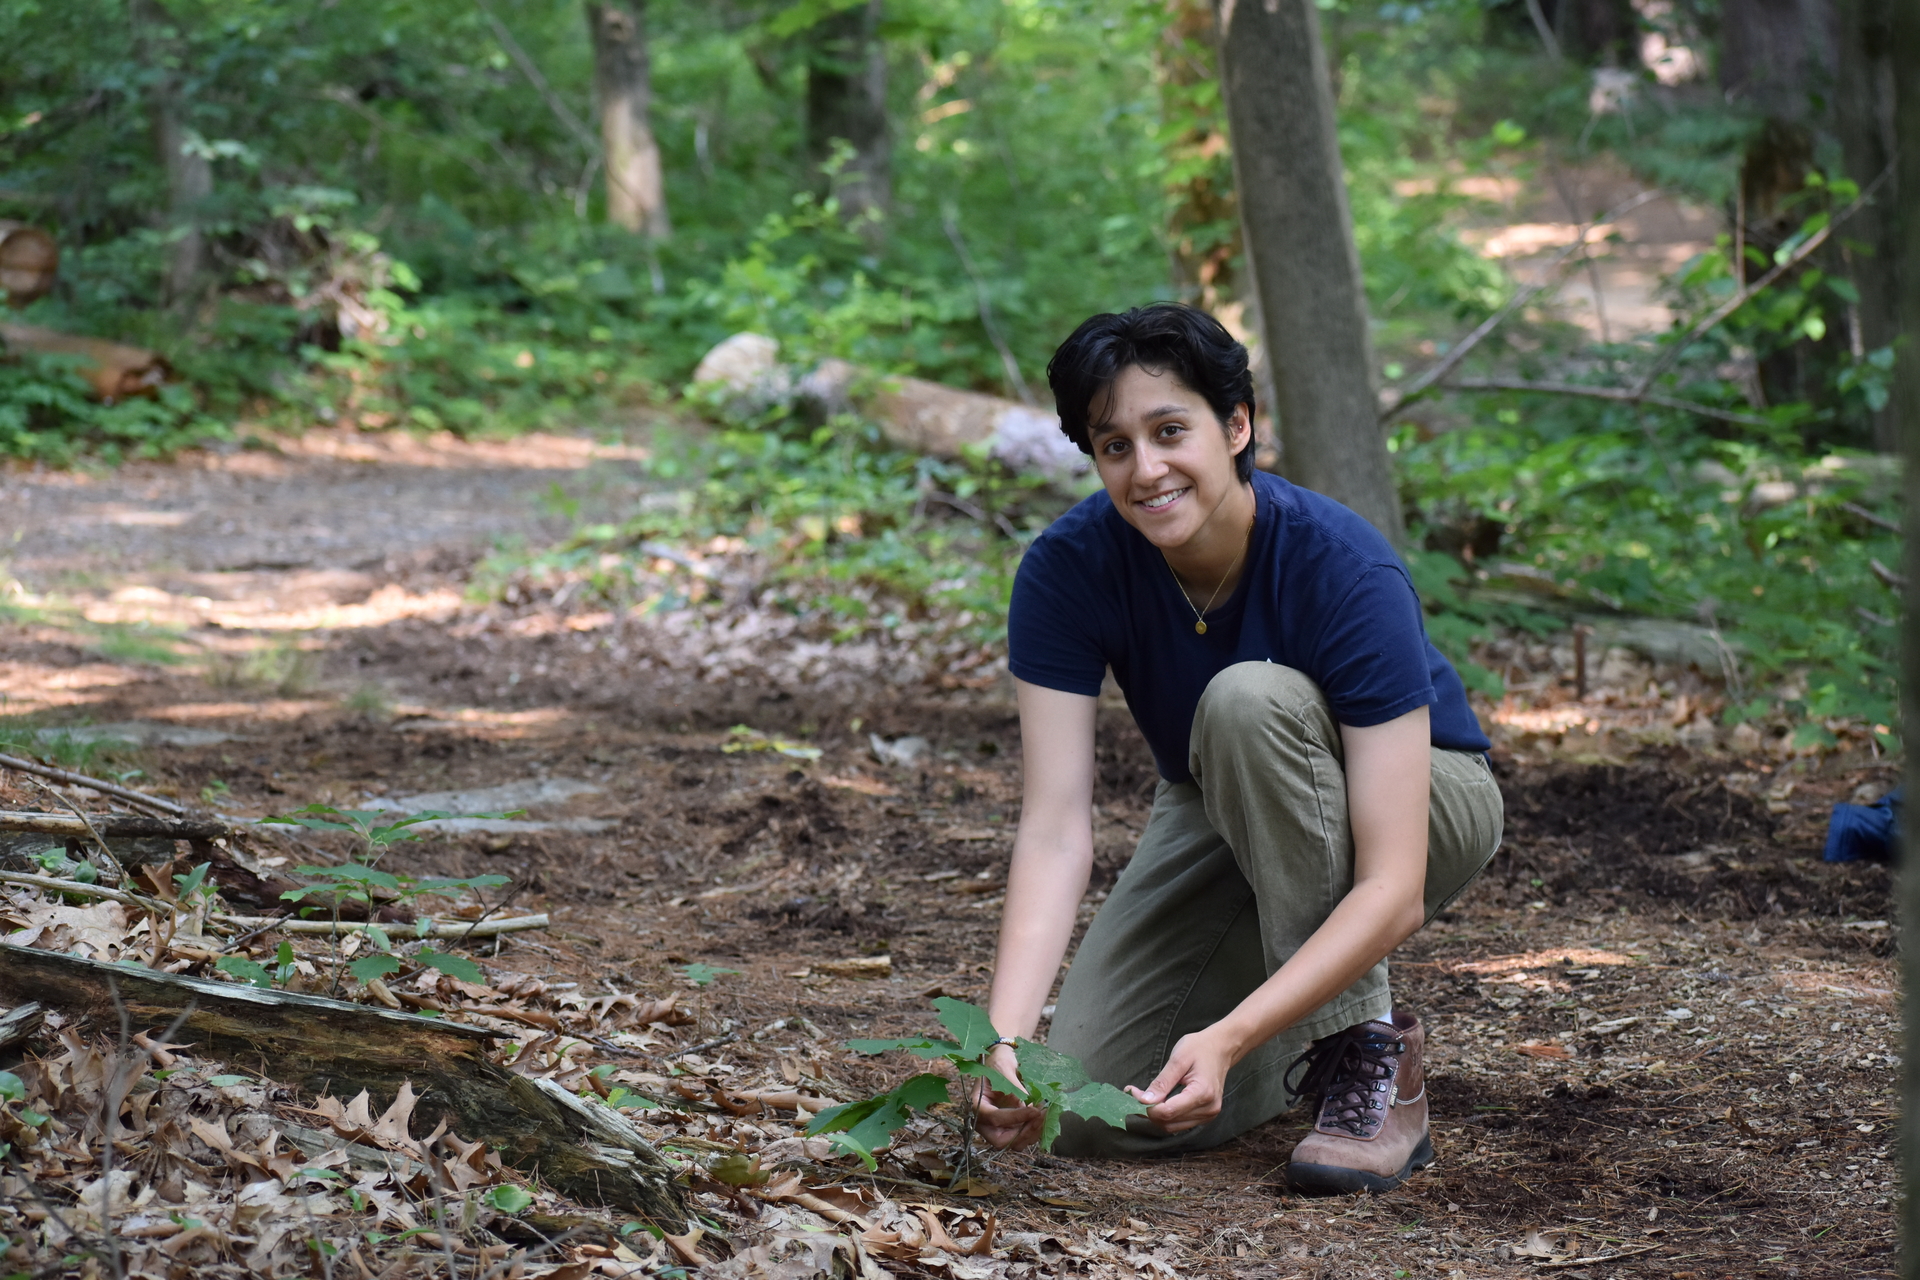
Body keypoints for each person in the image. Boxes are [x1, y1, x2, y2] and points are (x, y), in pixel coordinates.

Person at [973, 303, 1503, 1193]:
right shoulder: (1067, 570)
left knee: (1246, 697)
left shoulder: (1342, 564)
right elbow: (1057, 824)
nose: (1147, 470)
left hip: (1422, 797)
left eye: (1170, 430)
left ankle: (1364, 1057)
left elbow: (1393, 882)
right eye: (1114, 446)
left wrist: (1227, 1033)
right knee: (1088, 1112)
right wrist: (1001, 1040)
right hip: (1220, 798)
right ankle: (1276, 1049)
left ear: (1238, 425)